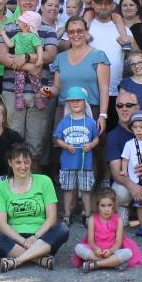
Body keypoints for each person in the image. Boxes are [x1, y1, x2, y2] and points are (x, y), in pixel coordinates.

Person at [0, 0, 59, 158]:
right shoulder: (8, 28)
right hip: (12, 92)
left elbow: (50, 54)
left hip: (38, 92)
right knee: (13, 138)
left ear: (37, 2)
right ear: (18, 1)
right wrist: (31, 67)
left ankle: (35, 181)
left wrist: (24, 57)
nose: (27, 2)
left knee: (36, 142)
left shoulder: (47, 29)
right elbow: (2, 56)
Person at [0, 145, 70, 272]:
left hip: (42, 237)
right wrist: (22, 240)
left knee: (63, 229)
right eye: (18, 162)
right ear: (10, 163)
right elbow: (1, 224)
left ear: (31, 162)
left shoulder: (44, 181)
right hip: (15, 238)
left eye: (26, 162)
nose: (23, 166)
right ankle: (40, 259)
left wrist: (35, 237)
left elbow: (52, 217)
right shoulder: (1, 187)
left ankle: (17, 260)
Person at [104, 91, 142, 226]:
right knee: (120, 191)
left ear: (137, 107)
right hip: (130, 179)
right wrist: (133, 187)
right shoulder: (114, 135)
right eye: (119, 105)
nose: (124, 109)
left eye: (128, 105)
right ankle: (124, 208)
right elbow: (115, 172)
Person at [84, 0, 135, 126]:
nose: (103, 6)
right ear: (93, 4)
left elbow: (137, 57)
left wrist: (130, 42)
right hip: (89, 92)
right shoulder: (84, 27)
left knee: (111, 133)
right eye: (100, 3)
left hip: (114, 91)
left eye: (107, 3)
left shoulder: (123, 29)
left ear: (113, 5)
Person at [53, 86, 100, 226]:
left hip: (85, 162)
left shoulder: (90, 122)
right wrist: (66, 146)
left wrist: (91, 145)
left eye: (78, 100)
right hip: (68, 162)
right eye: (72, 101)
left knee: (85, 189)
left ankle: (87, 213)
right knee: (67, 189)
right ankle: (67, 213)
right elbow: (57, 138)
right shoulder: (65, 121)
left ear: (85, 102)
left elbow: (96, 138)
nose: (75, 103)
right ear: (68, 103)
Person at [71, 189, 142, 273]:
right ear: (97, 206)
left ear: (114, 205)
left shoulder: (118, 220)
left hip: (113, 250)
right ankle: (112, 263)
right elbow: (90, 240)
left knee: (128, 253)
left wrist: (110, 251)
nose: (106, 209)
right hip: (96, 250)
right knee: (78, 248)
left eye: (109, 205)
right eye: (102, 206)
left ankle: (95, 264)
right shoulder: (92, 219)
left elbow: (118, 242)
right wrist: (96, 249)